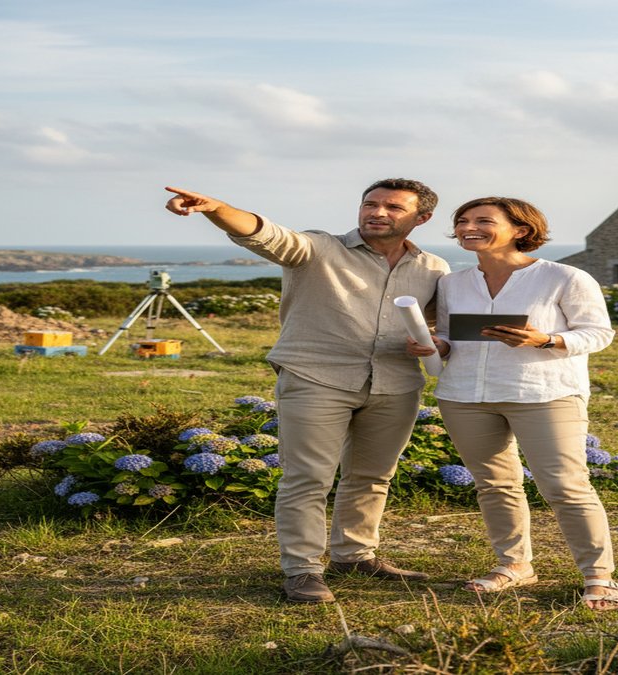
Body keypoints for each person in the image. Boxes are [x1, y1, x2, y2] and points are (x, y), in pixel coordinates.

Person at [165, 179, 450, 603]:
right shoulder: (318, 247)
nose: (377, 212)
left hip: (396, 381)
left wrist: (433, 341)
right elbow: (264, 234)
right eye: (370, 204)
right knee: (308, 478)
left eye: (392, 207)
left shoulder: (433, 268)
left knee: (373, 476)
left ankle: (354, 555)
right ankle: (302, 570)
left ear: (421, 218)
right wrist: (215, 207)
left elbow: (437, 327)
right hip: (316, 377)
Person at [406, 196, 618, 610]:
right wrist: (438, 344)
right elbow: (452, 335)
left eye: (484, 220)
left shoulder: (565, 277)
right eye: (463, 220)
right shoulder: (452, 282)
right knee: (494, 485)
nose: (470, 226)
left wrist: (547, 339)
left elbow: (598, 333)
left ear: (521, 230)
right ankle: (515, 564)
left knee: (566, 487)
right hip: (465, 395)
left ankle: (599, 576)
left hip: (544, 393)